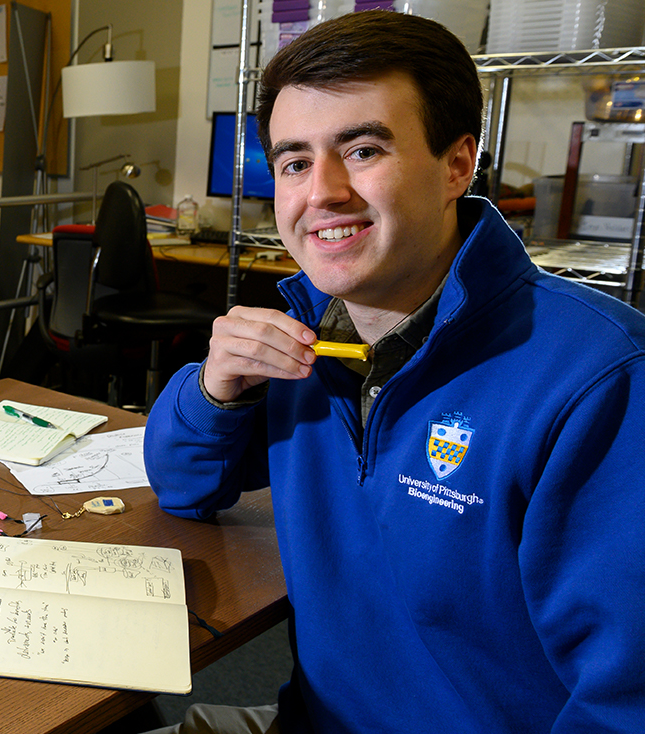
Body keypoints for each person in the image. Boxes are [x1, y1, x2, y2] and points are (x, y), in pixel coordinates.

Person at [143, 11, 645, 734]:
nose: (323, 192)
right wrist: (212, 387)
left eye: (365, 149)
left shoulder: (600, 380)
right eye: (294, 163)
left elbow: (625, 705)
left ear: (457, 164)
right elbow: (187, 487)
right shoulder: (309, 338)